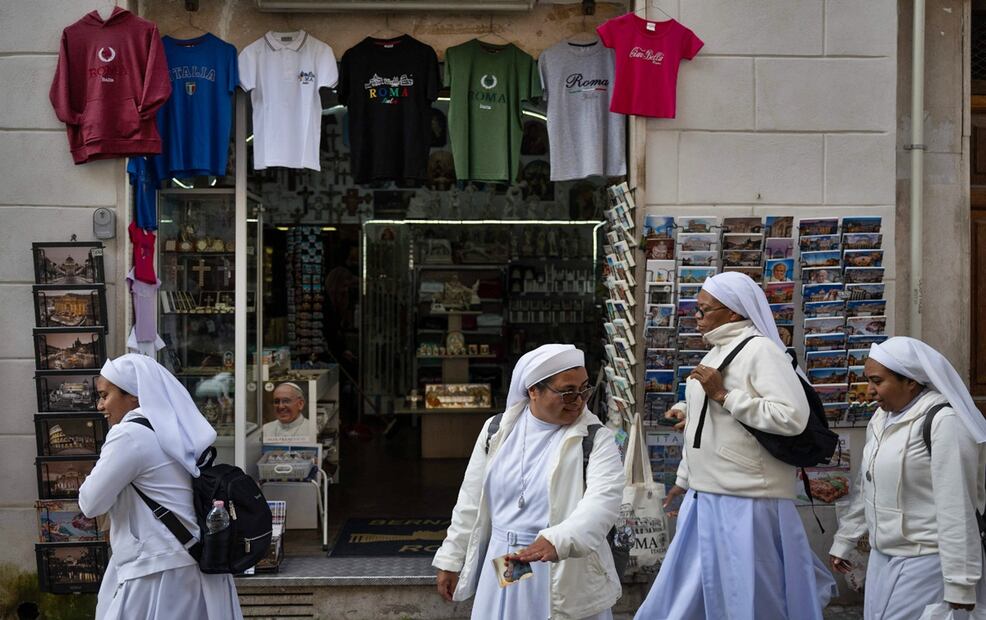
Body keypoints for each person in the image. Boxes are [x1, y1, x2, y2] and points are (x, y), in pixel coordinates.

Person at [635, 271, 835, 620]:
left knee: (749, 596)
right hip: (708, 494)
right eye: (696, 310)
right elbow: (713, 420)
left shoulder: (761, 351)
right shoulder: (718, 351)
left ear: (732, 312)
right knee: (693, 593)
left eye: (704, 310)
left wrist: (724, 396)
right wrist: (685, 466)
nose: (697, 317)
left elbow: (790, 416)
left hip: (746, 500)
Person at [433, 344, 625, 619]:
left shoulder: (596, 439)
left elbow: (602, 503)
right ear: (533, 390)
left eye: (584, 390)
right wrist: (451, 558)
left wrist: (557, 540)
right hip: (508, 559)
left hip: (562, 561)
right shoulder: (497, 431)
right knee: (509, 610)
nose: (578, 400)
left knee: (553, 610)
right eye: (567, 392)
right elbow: (471, 500)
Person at [829, 337, 986, 618]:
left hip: (926, 563)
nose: (870, 390)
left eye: (877, 381)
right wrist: (845, 540)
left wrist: (960, 583)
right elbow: (867, 486)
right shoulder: (880, 420)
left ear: (910, 381)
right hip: (882, 559)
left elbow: (957, 508)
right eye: (868, 380)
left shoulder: (944, 422)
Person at [79, 354, 242, 620]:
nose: (100, 405)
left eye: (105, 395)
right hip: (194, 558)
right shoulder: (175, 428)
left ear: (133, 395)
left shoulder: (129, 434)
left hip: (155, 570)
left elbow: (90, 502)